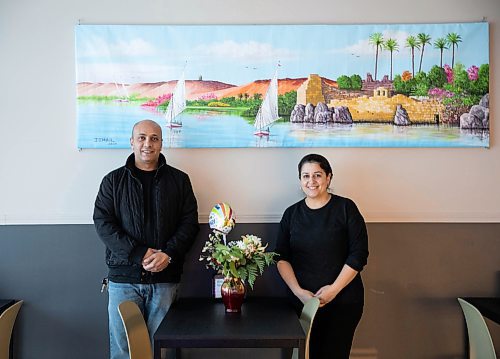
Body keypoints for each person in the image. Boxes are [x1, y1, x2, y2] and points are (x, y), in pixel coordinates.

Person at [93, 119, 199, 359]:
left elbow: (189, 223)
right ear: (132, 142)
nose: (147, 144)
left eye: (154, 138)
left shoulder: (179, 180)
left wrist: (168, 253)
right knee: (124, 351)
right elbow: (103, 223)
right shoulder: (112, 181)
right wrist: (139, 254)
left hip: (165, 280)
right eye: (141, 137)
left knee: (162, 350)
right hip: (123, 280)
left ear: (162, 143)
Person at [275, 153, 368, 359]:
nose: (311, 181)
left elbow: (358, 255)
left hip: (343, 302)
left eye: (317, 175)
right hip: (301, 302)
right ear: (300, 180)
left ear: (329, 177)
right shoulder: (291, 214)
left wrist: (333, 291)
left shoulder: (346, 208)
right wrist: (300, 293)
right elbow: (281, 258)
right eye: (306, 176)